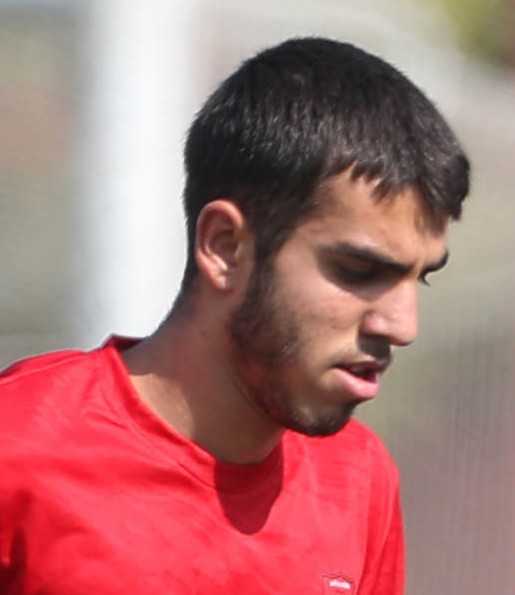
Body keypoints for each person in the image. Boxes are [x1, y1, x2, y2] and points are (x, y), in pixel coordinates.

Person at [0, 37, 469, 594]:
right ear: (225, 247)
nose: (403, 325)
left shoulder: (359, 480)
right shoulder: (18, 448)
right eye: (358, 270)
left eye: (421, 277)